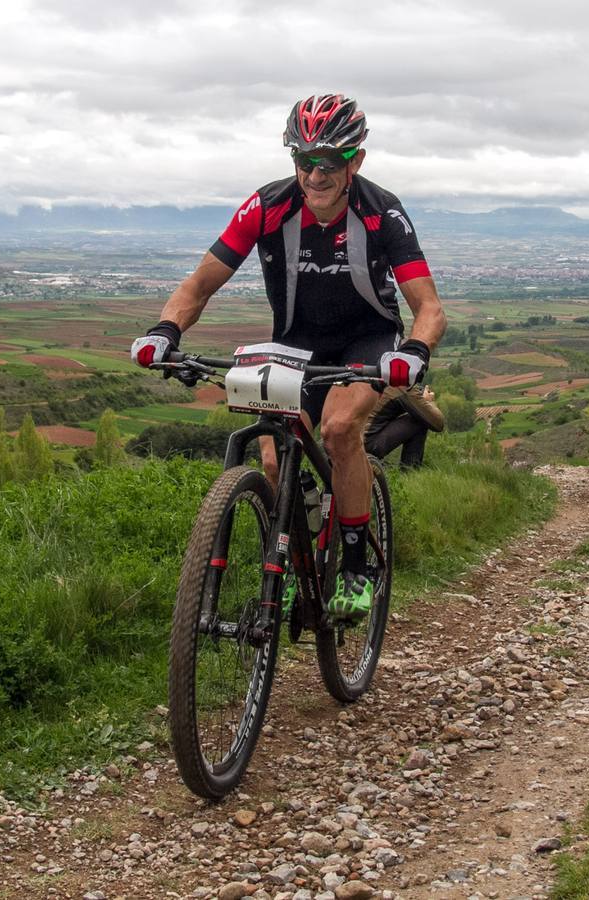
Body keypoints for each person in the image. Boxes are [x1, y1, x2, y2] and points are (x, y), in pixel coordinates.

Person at [130, 94, 446, 620]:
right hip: (296, 341)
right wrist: (165, 329)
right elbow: (200, 284)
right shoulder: (268, 205)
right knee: (275, 453)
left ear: (356, 162)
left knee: (340, 430)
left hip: (367, 341)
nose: (315, 174)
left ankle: (351, 566)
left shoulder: (382, 212)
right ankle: (299, 556)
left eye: (330, 162)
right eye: (304, 160)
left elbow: (429, 308)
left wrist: (413, 351)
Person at [365, 384, 446, 469]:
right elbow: (438, 423)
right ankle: (409, 474)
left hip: (354, 438)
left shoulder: (378, 376)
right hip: (366, 444)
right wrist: (429, 402)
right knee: (421, 419)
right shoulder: (402, 384)